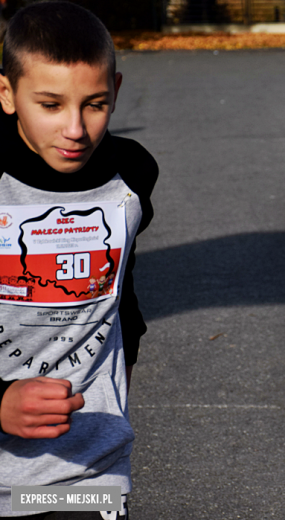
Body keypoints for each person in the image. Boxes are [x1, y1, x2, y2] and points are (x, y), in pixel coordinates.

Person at [0, 2, 158, 517]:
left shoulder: (131, 175)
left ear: (115, 87)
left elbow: (121, 299)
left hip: (89, 470)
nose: (76, 129)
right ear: (7, 93)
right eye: (50, 105)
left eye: (94, 104)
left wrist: (115, 402)